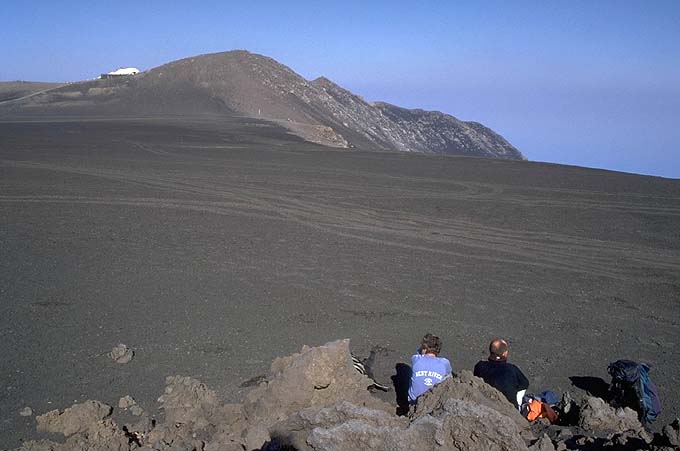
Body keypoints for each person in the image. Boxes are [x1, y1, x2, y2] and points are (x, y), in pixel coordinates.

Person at [473, 338, 529, 409]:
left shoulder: (480, 366)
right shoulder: (511, 369)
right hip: (510, 407)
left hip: (486, 402)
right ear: (505, 353)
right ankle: (518, 405)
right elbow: (525, 383)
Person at [408, 333, 453, 403]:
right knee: (448, 376)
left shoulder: (416, 359)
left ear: (424, 348)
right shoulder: (444, 362)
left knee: (412, 372)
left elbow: (417, 353)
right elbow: (449, 374)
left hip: (414, 400)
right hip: (434, 401)